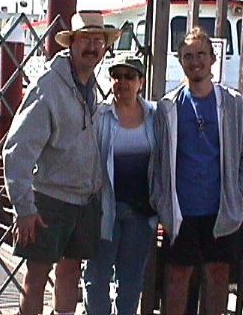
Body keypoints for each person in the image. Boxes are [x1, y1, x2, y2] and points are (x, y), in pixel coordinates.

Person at [2, 11, 121, 315]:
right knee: (37, 277)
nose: (93, 47)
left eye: (98, 41)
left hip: (84, 201)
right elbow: (17, 150)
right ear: (72, 44)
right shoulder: (48, 86)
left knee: (70, 275)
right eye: (86, 40)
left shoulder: (91, 85)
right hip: (49, 202)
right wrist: (25, 209)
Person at [151, 26, 243, 315]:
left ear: (213, 59)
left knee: (218, 275)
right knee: (177, 277)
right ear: (180, 60)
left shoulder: (234, 104)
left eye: (201, 54)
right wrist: (161, 200)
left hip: (221, 209)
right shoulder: (168, 107)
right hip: (181, 211)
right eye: (188, 55)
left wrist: (238, 193)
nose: (195, 61)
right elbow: (156, 158)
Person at [83, 55, 157, 315]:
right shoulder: (99, 115)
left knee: (132, 281)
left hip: (141, 214)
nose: (123, 81)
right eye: (117, 76)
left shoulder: (156, 116)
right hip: (105, 210)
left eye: (129, 76)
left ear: (140, 81)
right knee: (97, 276)